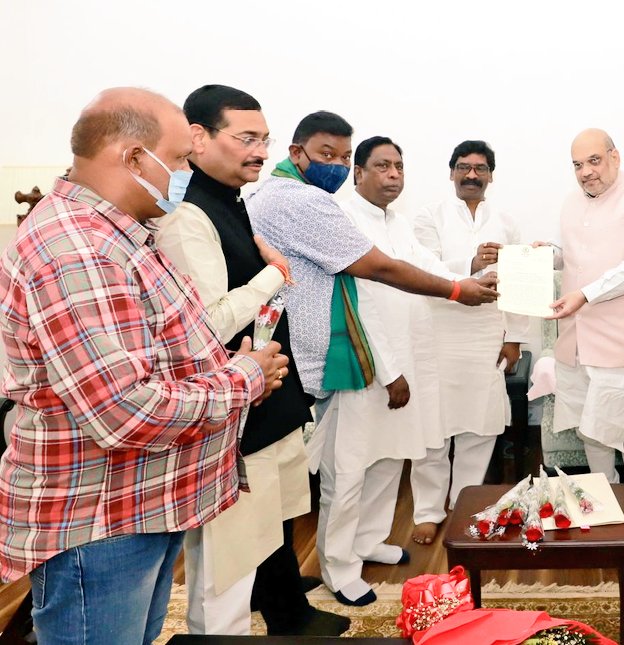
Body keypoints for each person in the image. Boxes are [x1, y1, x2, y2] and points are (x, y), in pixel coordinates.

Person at [0, 87, 286, 645]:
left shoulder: (120, 232)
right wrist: (246, 376)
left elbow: (155, 351)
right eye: (179, 159)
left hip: (140, 503)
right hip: (100, 519)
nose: (186, 173)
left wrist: (227, 367)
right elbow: (126, 410)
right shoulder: (79, 251)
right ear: (134, 157)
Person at [247, 126, 498, 607]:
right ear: (358, 173)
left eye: (399, 166)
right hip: (366, 367)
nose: (393, 174)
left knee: (389, 459)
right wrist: (389, 371)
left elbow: (425, 265)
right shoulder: (342, 216)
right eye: (382, 166)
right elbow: (362, 301)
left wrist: (472, 278)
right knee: (349, 471)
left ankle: (368, 541)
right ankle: (339, 565)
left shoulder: (395, 221)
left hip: (408, 360)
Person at [154, 86, 347, 636]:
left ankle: (283, 614)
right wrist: (274, 275)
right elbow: (207, 324)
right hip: (227, 408)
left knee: (266, 528)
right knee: (229, 558)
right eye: (246, 139)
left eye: (264, 139)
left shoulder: (231, 199)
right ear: (198, 138)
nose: (261, 151)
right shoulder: (188, 215)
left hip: (264, 396)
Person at [547, 128, 624, 560]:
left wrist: (585, 294)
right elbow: (577, 256)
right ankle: (601, 511)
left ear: (615, 157)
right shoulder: (571, 202)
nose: (586, 172)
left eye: (594, 161)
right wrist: (546, 255)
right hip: (577, 339)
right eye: (578, 165)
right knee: (591, 432)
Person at [410, 140, 529, 546]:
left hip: (484, 335)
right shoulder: (428, 217)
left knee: (479, 428)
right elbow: (420, 270)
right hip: (437, 334)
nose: (472, 175)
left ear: (491, 175)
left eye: (480, 168)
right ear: (451, 173)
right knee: (433, 430)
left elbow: (519, 282)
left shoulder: (507, 222)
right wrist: (471, 265)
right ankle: (428, 512)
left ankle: (464, 505)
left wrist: (514, 338)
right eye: (464, 167)